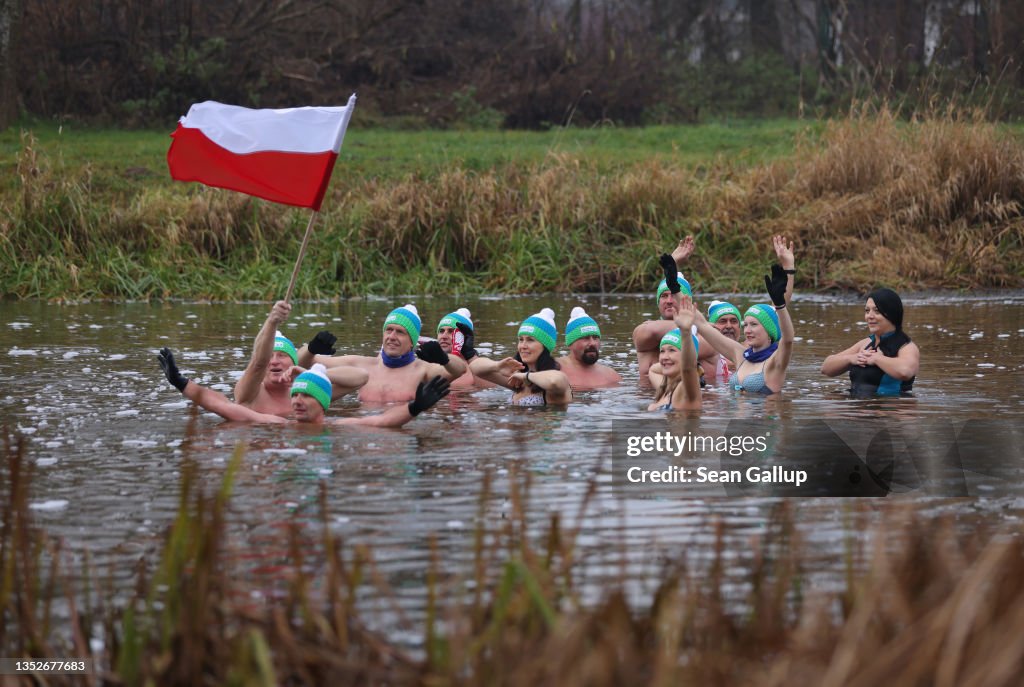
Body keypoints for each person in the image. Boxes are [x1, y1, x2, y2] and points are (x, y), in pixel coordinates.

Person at [159, 349, 449, 426]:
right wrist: (181, 382)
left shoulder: (339, 426)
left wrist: (414, 408)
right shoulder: (274, 423)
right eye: (295, 394)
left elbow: (383, 421)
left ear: (323, 403)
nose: (297, 401)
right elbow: (221, 405)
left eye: (306, 395)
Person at [692, 235, 796, 395]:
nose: (747, 330)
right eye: (745, 324)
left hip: (763, 418)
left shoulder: (775, 361)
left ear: (770, 332)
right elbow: (700, 323)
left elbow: (787, 336)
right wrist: (675, 287)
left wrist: (788, 269)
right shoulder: (740, 354)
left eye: (753, 324)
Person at [306, 304, 467, 403]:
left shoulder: (423, 370)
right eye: (389, 330)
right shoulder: (361, 365)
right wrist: (310, 349)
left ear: (412, 341)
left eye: (400, 332)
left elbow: (460, 369)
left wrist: (444, 359)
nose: (392, 337)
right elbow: (302, 363)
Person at [233, 301, 366, 417]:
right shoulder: (249, 393)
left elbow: (362, 377)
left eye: (282, 355)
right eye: (270, 356)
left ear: (293, 362)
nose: (274, 361)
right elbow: (258, 363)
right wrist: (272, 321)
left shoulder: (305, 392)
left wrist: (310, 375)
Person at [631, 236, 717, 378]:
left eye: (673, 295)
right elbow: (650, 331)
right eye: (664, 296)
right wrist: (700, 326)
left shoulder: (708, 338)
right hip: (656, 397)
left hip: (702, 399)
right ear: (658, 302)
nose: (669, 300)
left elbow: (691, 346)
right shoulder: (645, 331)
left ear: (685, 299)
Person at [821, 288, 919, 396]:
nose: (869, 316)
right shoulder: (866, 343)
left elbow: (905, 371)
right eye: (867, 311)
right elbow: (826, 368)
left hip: (890, 409)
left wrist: (876, 359)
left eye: (877, 311)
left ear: (892, 313)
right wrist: (851, 358)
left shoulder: (906, 347)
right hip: (858, 407)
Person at [469, 307, 573, 406]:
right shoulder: (517, 381)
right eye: (521, 339)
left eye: (530, 340)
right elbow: (474, 367)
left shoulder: (551, 382)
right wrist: (497, 366)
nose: (523, 346)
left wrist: (526, 376)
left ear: (545, 346)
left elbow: (555, 381)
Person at [647, 295, 702, 411]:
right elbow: (652, 369)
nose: (665, 357)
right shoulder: (666, 388)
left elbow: (688, 368)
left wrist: (686, 332)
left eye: (672, 350)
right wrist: (669, 363)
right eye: (662, 351)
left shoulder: (686, 389)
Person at [557, 307, 621, 389]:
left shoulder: (611, 376)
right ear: (570, 343)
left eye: (595, 338)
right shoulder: (554, 369)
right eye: (585, 338)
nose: (592, 343)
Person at [435, 307, 486, 388]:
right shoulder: (431, 365)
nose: (443, 336)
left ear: (464, 336)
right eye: (441, 331)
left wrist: (470, 355)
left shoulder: (475, 368)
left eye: (451, 331)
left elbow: (488, 390)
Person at [704, 300, 743, 379]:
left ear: (740, 327)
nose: (729, 326)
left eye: (733, 321)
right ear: (712, 326)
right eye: (723, 321)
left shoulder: (750, 351)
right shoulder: (705, 353)